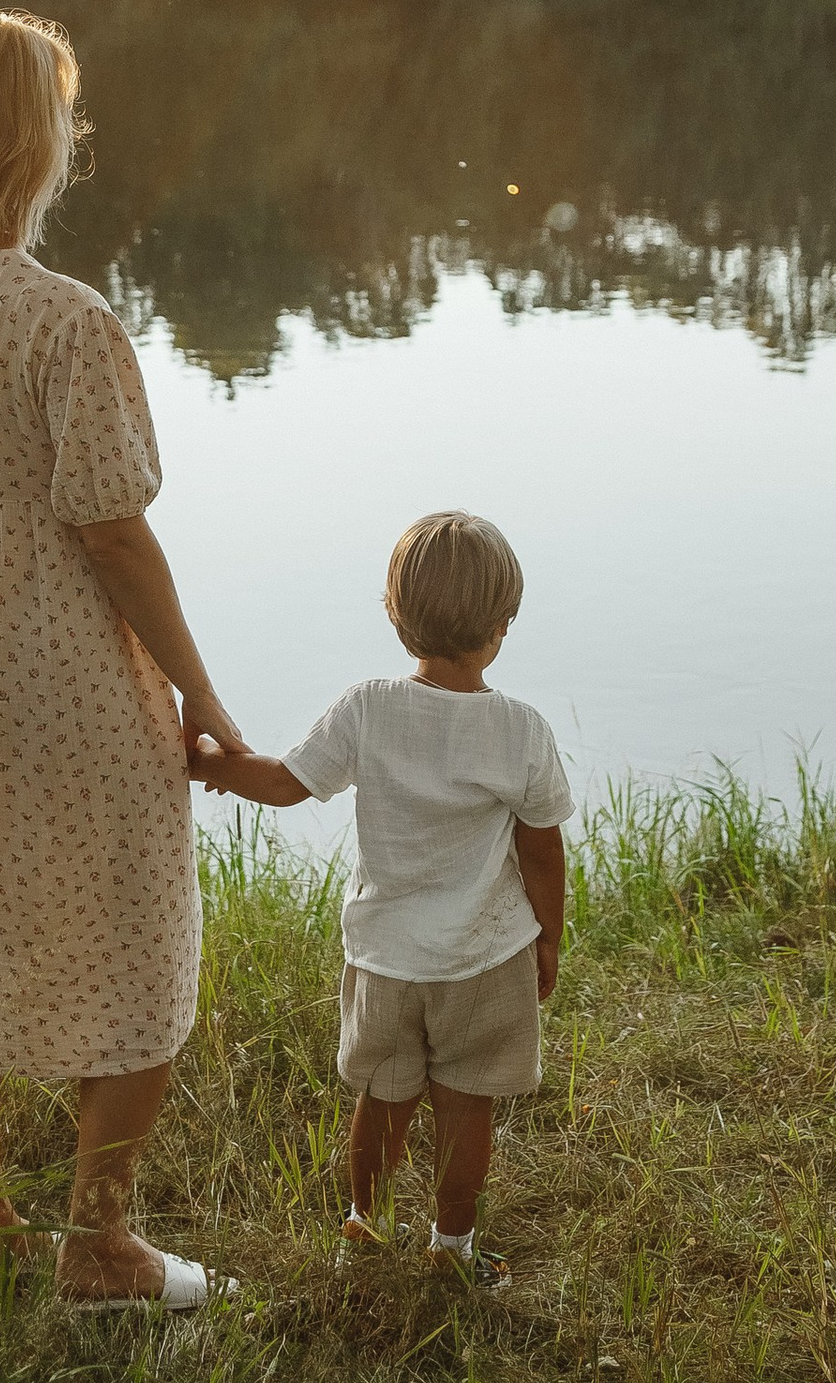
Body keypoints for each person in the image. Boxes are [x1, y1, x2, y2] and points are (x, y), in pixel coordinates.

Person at [0, 6, 251, 1306]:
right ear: (35, 143)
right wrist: (203, 698)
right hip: (64, 672)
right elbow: (115, 533)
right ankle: (98, 1245)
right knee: (140, 951)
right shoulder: (67, 321)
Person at [193, 510, 572, 1290]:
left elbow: (285, 784)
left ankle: (364, 1229)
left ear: (397, 616)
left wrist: (210, 765)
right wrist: (547, 939)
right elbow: (542, 848)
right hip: (484, 959)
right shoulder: (521, 732)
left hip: (386, 960)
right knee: (468, 1110)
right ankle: (453, 1249)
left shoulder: (367, 707)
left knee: (382, 1100)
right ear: (503, 626)